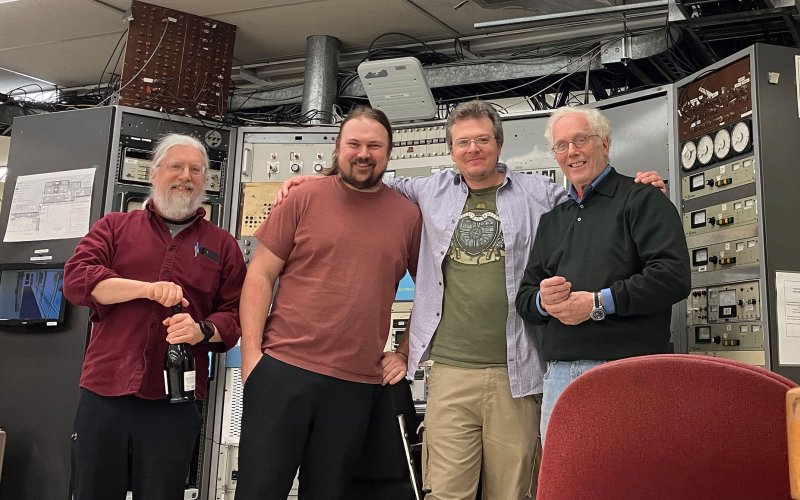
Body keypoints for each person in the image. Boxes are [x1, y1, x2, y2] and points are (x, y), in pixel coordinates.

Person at [276, 100, 664, 500]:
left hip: (518, 372)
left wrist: (640, 190)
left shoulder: (539, 193)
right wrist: (315, 181)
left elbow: (592, 200)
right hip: (450, 371)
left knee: (513, 493)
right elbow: (367, 176)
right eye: (463, 142)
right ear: (451, 149)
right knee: (446, 493)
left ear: (499, 144)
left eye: (482, 140)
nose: (473, 149)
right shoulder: (429, 190)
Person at [234, 106, 422, 500]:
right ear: (337, 148)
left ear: (389, 152)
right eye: (354, 144)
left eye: (374, 146)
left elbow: (433, 292)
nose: (363, 154)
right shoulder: (303, 198)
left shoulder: (408, 216)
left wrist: (405, 352)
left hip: (355, 386)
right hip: (283, 371)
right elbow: (260, 275)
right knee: (258, 491)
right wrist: (251, 357)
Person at [63, 133, 247, 500]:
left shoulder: (222, 245)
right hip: (106, 391)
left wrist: (201, 330)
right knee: (93, 490)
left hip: (175, 402)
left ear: (206, 180)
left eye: (196, 169)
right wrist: (146, 289)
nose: (186, 176)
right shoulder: (114, 228)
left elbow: (235, 314)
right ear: (154, 173)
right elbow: (78, 280)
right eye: (176, 166)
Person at [515, 106, 691, 446]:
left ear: (605, 144)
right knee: (565, 476)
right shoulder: (552, 221)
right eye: (562, 145)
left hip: (627, 373)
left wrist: (598, 303)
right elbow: (525, 298)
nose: (572, 152)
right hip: (559, 377)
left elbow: (673, 276)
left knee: (628, 473)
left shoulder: (642, 199)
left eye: (581, 140)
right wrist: (543, 301)